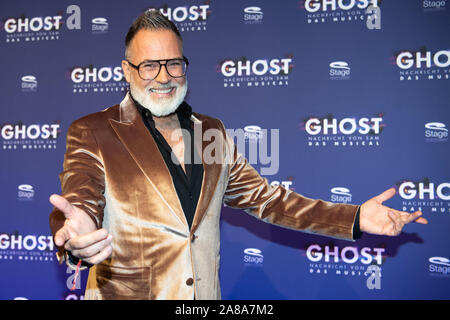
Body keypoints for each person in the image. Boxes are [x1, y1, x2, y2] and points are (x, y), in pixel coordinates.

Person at [49, 10, 427, 300]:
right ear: (126, 72)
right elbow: (80, 200)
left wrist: (356, 216)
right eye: (148, 65)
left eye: (174, 63)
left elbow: (268, 200)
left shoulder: (211, 132)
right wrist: (74, 237)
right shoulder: (95, 130)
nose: (163, 76)